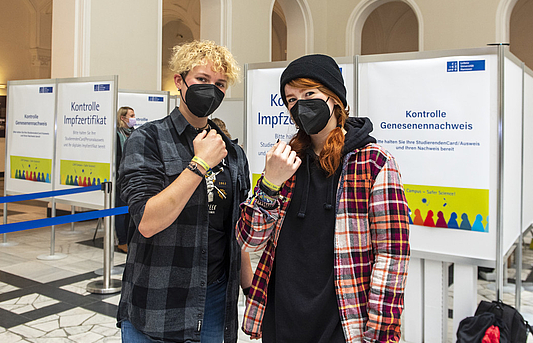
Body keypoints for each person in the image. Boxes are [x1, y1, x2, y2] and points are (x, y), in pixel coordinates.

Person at [236, 54, 410, 342]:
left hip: (342, 319)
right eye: (291, 100)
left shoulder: (374, 162)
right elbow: (249, 239)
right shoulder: (286, 160)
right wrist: (269, 184)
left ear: (334, 98)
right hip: (282, 316)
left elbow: (392, 255)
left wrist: (379, 332)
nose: (299, 105)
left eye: (309, 94)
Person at [117, 40, 252, 343]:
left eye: (220, 84)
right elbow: (148, 222)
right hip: (158, 298)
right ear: (179, 81)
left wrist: (250, 290)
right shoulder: (147, 139)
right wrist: (199, 164)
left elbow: (237, 231)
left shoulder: (231, 152)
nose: (211, 90)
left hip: (216, 297)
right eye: (202, 80)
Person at [115, 106, 136, 253]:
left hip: (134, 178)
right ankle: (122, 241)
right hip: (120, 180)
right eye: (131, 115)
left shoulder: (135, 134)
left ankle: (131, 240)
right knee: (121, 212)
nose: (134, 118)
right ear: (123, 118)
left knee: (131, 211)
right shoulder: (117, 135)